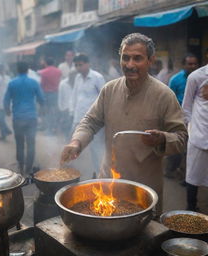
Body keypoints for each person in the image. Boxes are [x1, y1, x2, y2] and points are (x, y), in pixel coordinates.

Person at [60, 33, 187, 215]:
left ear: (150, 61)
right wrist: (76, 142)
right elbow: (90, 121)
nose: (130, 65)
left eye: (137, 58)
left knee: (145, 239)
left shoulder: (164, 95)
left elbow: (182, 138)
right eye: (125, 58)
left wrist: (162, 139)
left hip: (144, 190)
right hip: (109, 184)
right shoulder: (109, 90)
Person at [4, 61, 45, 176]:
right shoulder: (34, 82)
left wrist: (7, 111)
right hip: (31, 118)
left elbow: (6, 100)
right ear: (28, 70)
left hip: (18, 118)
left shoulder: (12, 83)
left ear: (17, 70)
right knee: (31, 143)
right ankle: (28, 168)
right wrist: (41, 111)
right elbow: (41, 99)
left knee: (19, 143)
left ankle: (21, 166)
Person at [164, 54, 198, 180]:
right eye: (189, 64)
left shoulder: (201, 78)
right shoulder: (175, 79)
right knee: (177, 147)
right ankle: (170, 169)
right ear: (184, 65)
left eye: (195, 64)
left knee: (192, 149)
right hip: (178, 118)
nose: (192, 66)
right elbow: (169, 99)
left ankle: (186, 176)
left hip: (197, 119)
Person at [70, 53, 106, 175]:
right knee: (78, 146)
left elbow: (104, 98)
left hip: (95, 120)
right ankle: (93, 172)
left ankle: (101, 175)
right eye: (76, 65)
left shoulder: (97, 77)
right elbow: (75, 96)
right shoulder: (78, 78)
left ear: (87, 64)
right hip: (80, 118)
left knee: (97, 149)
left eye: (80, 65)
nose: (78, 68)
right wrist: (72, 114)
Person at [182, 63, 208, 211]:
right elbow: (186, 108)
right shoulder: (196, 76)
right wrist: (192, 130)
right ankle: (191, 208)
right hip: (199, 135)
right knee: (193, 175)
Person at [38, 57, 61, 134]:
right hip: (55, 93)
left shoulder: (43, 72)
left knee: (47, 112)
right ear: (54, 63)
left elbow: (42, 84)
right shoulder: (59, 71)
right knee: (54, 111)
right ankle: (54, 127)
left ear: (46, 63)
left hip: (46, 93)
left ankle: (49, 129)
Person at [58, 70, 77, 140]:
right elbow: (60, 97)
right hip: (66, 108)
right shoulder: (63, 84)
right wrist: (61, 109)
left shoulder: (79, 83)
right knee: (67, 124)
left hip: (75, 108)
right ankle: (67, 138)